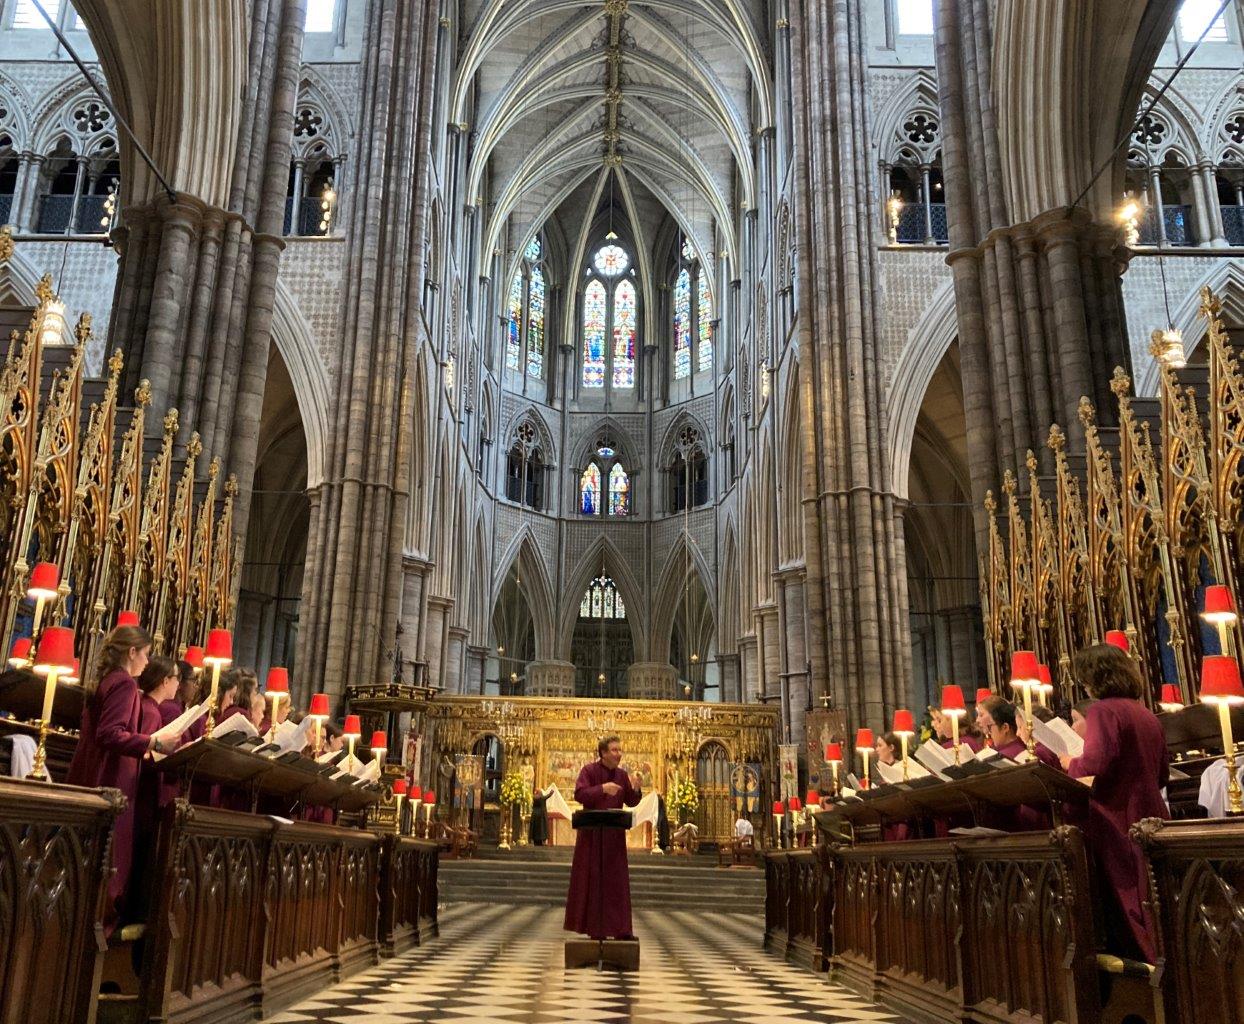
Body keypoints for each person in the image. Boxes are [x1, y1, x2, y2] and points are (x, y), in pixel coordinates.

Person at [1064, 644, 1169, 963]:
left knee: (1130, 903)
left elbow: (1094, 763)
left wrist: (1070, 762)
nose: (1084, 686)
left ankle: (1148, 976)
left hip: (1118, 819)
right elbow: (1162, 773)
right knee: (1156, 900)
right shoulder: (1145, 713)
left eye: (1084, 679)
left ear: (1095, 678)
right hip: (1153, 815)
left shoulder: (1103, 711)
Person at [66, 626, 172, 930]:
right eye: (147, 654)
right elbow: (110, 733)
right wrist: (153, 743)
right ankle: (100, 930)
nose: (148, 662)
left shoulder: (108, 680)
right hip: (113, 780)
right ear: (132, 652)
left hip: (98, 772)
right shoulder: (124, 684)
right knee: (111, 862)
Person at [564, 735, 642, 941]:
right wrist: (602, 789)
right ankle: (595, 929)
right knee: (593, 882)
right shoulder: (589, 771)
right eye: (614, 750)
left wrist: (636, 788)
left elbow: (631, 801)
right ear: (604, 753)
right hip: (592, 837)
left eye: (619, 750)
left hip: (614, 838)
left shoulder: (622, 775)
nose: (619, 754)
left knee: (616, 885)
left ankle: (620, 929)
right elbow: (580, 794)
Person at [130, 657, 182, 919]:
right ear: (165, 681)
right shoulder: (151, 711)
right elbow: (145, 756)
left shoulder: (146, 706)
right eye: (176, 679)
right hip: (145, 796)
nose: (178, 685)